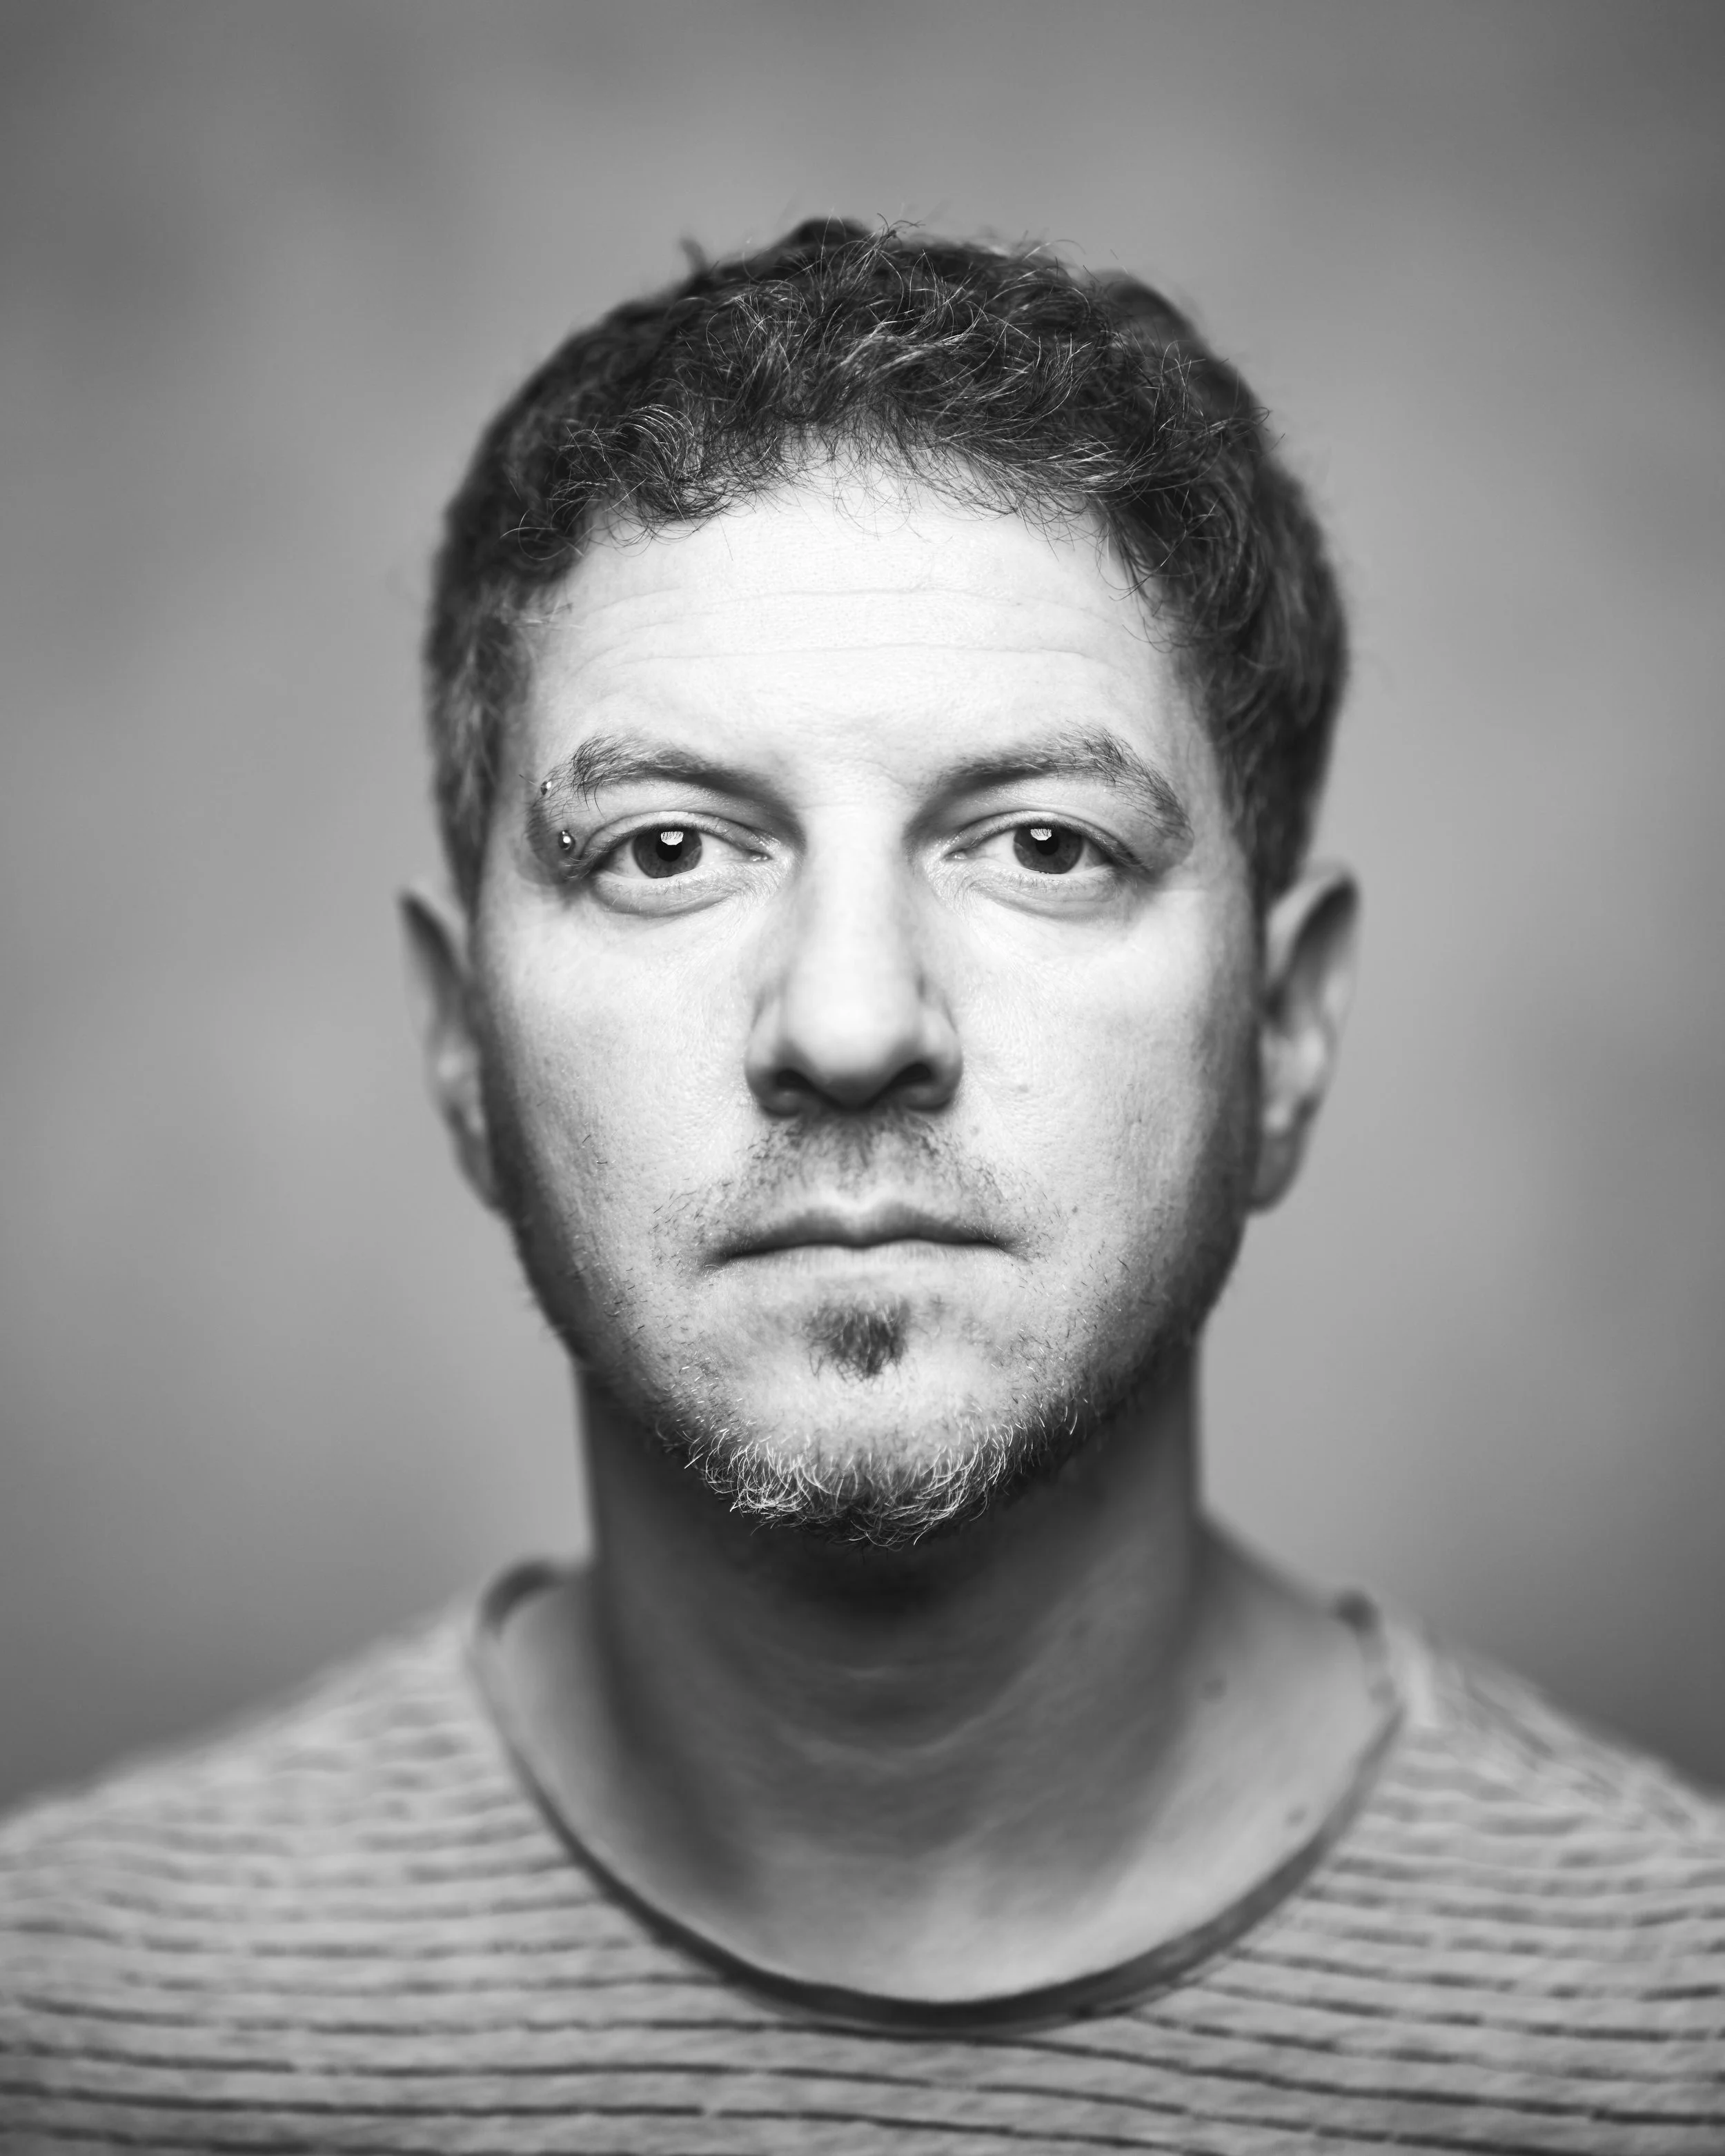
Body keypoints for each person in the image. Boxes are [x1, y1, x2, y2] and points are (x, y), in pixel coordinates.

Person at [2, 219, 1720, 2153]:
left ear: (1286, 1031)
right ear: (462, 1040)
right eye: (665, 846)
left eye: (1043, 844)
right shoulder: (66, 2034)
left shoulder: (1677, 2048)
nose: (844, 1019)